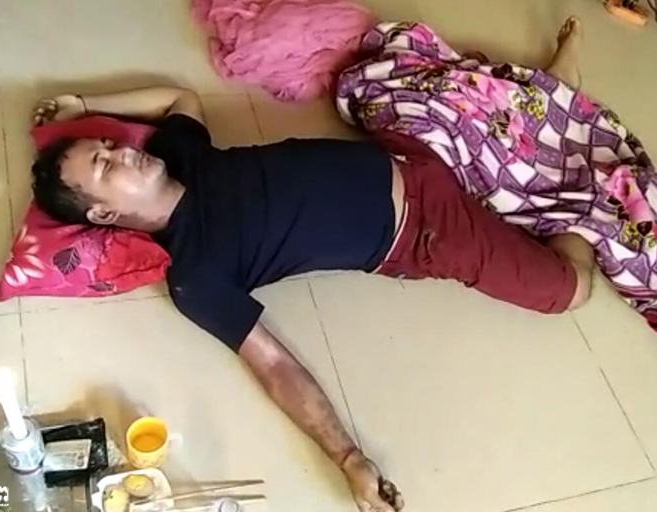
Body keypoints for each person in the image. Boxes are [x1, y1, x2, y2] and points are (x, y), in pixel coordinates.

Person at [29, 18, 593, 512]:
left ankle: (551, 99)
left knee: (412, 84)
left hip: (407, 148)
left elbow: (180, 99)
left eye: (109, 143)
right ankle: (574, 187)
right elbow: (275, 365)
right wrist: (347, 457)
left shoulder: (180, 156)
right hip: (423, 230)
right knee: (569, 290)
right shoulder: (194, 276)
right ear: (104, 214)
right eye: (105, 164)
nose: (123, 149)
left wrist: (85, 104)